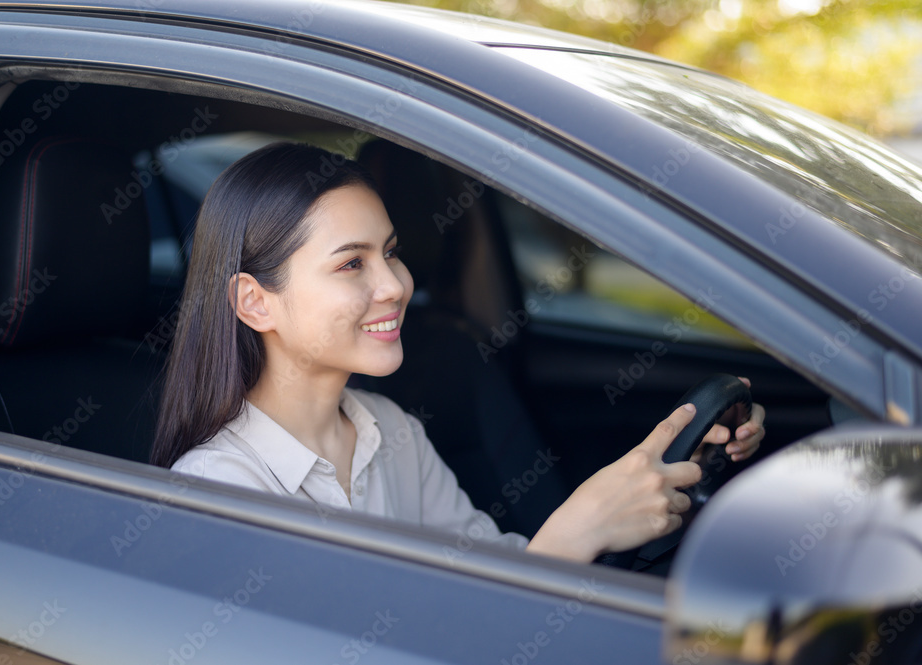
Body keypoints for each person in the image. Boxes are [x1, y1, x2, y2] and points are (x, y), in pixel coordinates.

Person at [151, 142, 765, 563]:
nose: (394, 284)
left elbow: (484, 580)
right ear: (255, 303)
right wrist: (568, 535)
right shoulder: (219, 490)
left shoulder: (389, 430)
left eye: (390, 252)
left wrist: (661, 482)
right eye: (350, 264)